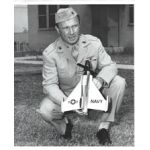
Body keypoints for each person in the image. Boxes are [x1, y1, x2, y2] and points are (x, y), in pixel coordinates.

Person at [37, 7, 126, 145]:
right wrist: (68, 102)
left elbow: (111, 66)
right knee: (45, 110)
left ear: (79, 25)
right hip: (66, 95)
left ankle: (103, 128)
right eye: (66, 28)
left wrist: (100, 80)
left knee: (118, 82)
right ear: (57, 29)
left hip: (92, 92)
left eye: (75, 26)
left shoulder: (93, 43)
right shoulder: (50, 53)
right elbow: (49, 85)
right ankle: (65, 127)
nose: (72, 32)